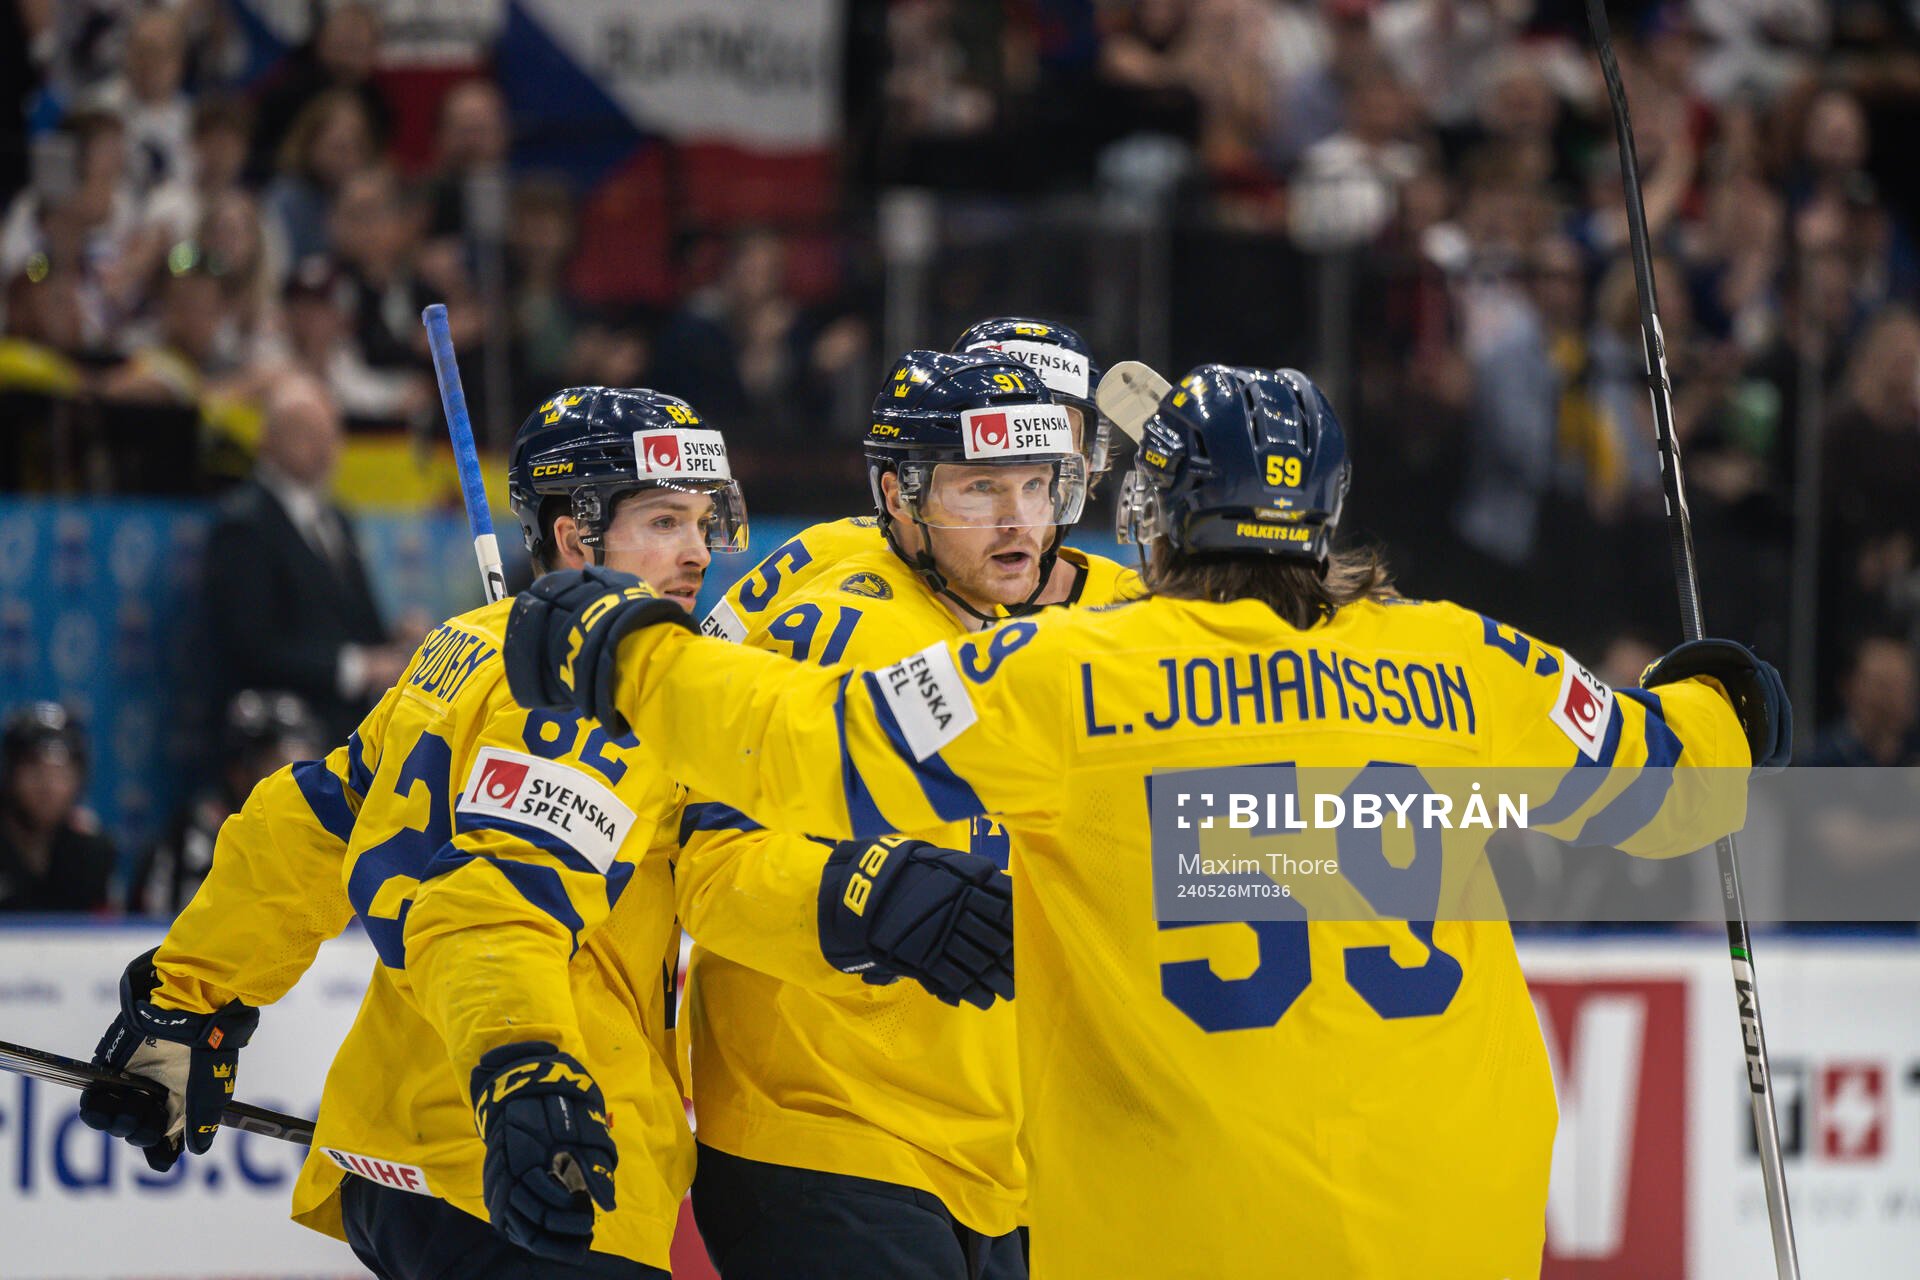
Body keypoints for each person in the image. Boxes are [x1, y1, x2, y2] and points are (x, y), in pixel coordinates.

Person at [503, 364, 1789, 1278]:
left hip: (1188, 1225)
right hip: (1459, 1224)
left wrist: (625, 652)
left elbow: (807, 743)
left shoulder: (1078, 673)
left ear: (1148, 516)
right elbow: (1677, 780)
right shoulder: (1464, 659)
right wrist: (1724, 700)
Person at [78, 387, 917, 1278]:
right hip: (532, 1156)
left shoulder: (465, 645)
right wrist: (524, 1076)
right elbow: (498, 911)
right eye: (665, 521)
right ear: (573, 537)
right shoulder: (619, 695)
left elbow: (307, 825)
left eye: (705, 523)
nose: (697, 553)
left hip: (397, 1156)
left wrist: (184, 1001)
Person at [677, 343, 1130, 1280]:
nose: (1018, 522)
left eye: (1038, 487)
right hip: (825, 1135)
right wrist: (863, 898)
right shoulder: (858, 630)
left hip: (984, 1153)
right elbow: (711, 861)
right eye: (979, 490)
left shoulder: (1020, 629)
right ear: (899, 496)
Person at [700, 315, 1121, 643]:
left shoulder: (1126, 597)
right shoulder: (830, 558)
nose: (1016, 445)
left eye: (1034, 473)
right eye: (983, 483)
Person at [201, 374, 412, 741]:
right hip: (278, 730)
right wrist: (356, 668)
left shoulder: (339, 519)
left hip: (352, 726)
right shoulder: (244, 524)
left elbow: (353, 621)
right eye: (307, 432)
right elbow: (251, 647)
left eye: (331, 431)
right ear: (268, 439)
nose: (324, 445)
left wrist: (395, 640)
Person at [134, 690, 326, 919]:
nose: (297, 780)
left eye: (305, 765)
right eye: (279, 764)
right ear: (240, 770)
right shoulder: (204, 828)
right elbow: (191, 922)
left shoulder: (320, 830)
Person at [0, 702, 117, 913]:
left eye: (61, 773)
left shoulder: (92, 855)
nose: (48, 787)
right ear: (10, 775)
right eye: (34, 770)